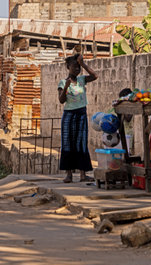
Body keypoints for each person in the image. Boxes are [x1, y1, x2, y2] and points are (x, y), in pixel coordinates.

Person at [58, 54, 98, 183]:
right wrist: (66, 87)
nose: (76, 69)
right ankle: (68, 175)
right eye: (74, 67)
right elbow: (61, 100)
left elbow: (95, 76)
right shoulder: (63, 82)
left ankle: (83, 174)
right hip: (69, 115)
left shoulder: (82, 80)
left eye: (78, 67)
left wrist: (84, 64)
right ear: (68, 67)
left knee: (81, 143)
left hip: (81, 113)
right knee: (67, 143)